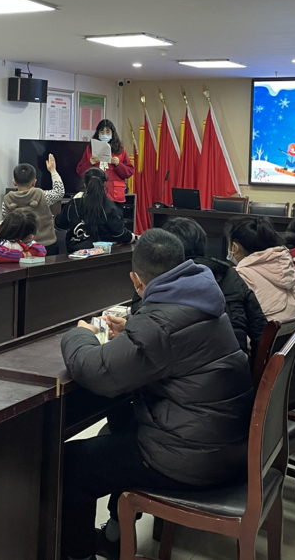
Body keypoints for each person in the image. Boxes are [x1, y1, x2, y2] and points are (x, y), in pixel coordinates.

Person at [59, 229, 255, 560]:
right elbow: (170, 340)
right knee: (119, 425)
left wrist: (80, 335)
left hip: (191, 459)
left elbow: (97, 372)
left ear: (135, 280)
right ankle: (114, 536)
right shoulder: (205, 298)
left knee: (69, 465)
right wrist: (133, 329)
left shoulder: (160, 324)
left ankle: (78, 554)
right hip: (225, 445)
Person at [161, 216, 267, 354]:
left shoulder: (162, 279)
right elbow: (261, 331)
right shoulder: (229, 273)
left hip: (183, 363)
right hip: (236, 361)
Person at [227, 216, 295, 320]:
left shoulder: (241, 275)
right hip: (292, 327)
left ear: (235, 247)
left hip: (267, 328)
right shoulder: (284, 262)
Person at [55, 168, 134, 253]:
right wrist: (133, 237)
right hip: (102, 254)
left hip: (74, 253)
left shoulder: (73, 204)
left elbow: (59, 225)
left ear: (85, 184)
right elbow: (120, 234)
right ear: (104, 184)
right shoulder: (109, 206)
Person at [3, 156, 64, 255]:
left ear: (14, 182)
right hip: (46, 247)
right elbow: (59, 191)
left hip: (18, 250)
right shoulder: (42, 195)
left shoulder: (7, 200)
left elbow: (6, 220)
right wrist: (53, 170)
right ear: (34, 182)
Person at [75, 120, 135, 204]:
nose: (105, 134)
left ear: (112, 133)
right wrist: (89, 163)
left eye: (107, 132)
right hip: (94, 193)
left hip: (115, 194)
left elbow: (130, 172)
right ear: (98, 133)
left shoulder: (120, 150)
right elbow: (80, 170)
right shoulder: (90, 149)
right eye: (102, 132)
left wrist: (118, 165)